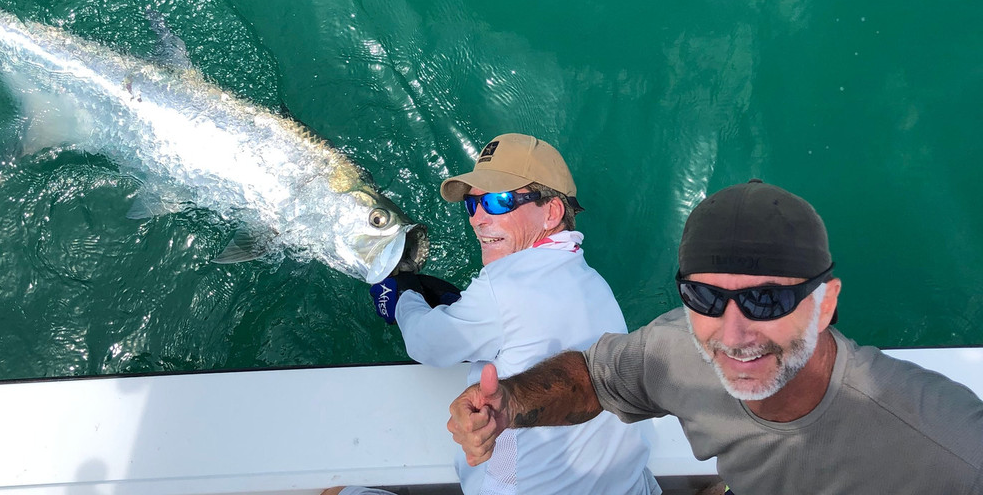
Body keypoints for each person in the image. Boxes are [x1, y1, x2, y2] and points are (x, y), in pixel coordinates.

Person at [448, 179, 983, 494]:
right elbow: (592, 375)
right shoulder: (680, 350)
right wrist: (511, 404)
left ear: (827, 304)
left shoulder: (947, 445)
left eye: (766, 300)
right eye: (704, 297)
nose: (733, 334)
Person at [370, 133, 659, 495]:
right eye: (472, 204)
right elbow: (522, 329)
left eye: (498, 201)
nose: (479, 219)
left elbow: (426, 344)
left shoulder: (504, 285)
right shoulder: (591, 280)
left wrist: (404, 294)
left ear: (552, 212)